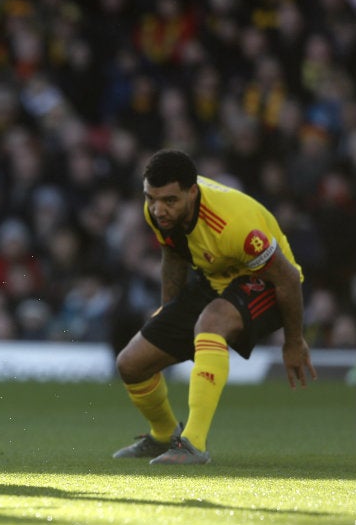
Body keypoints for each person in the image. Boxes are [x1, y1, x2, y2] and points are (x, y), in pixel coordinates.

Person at [112, 149, 316, 465]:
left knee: (212, 322)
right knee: (131, 364)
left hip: (266, 282)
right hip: (216, 280)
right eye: (151, 198)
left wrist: (293, 341)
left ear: (192, 192)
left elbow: (288, 278)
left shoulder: (234, 225)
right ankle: (164, 434)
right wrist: (169, 312)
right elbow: (174, 255)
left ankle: (193, 444)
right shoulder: (156, 211)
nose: (158, 209)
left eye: (169, 200)